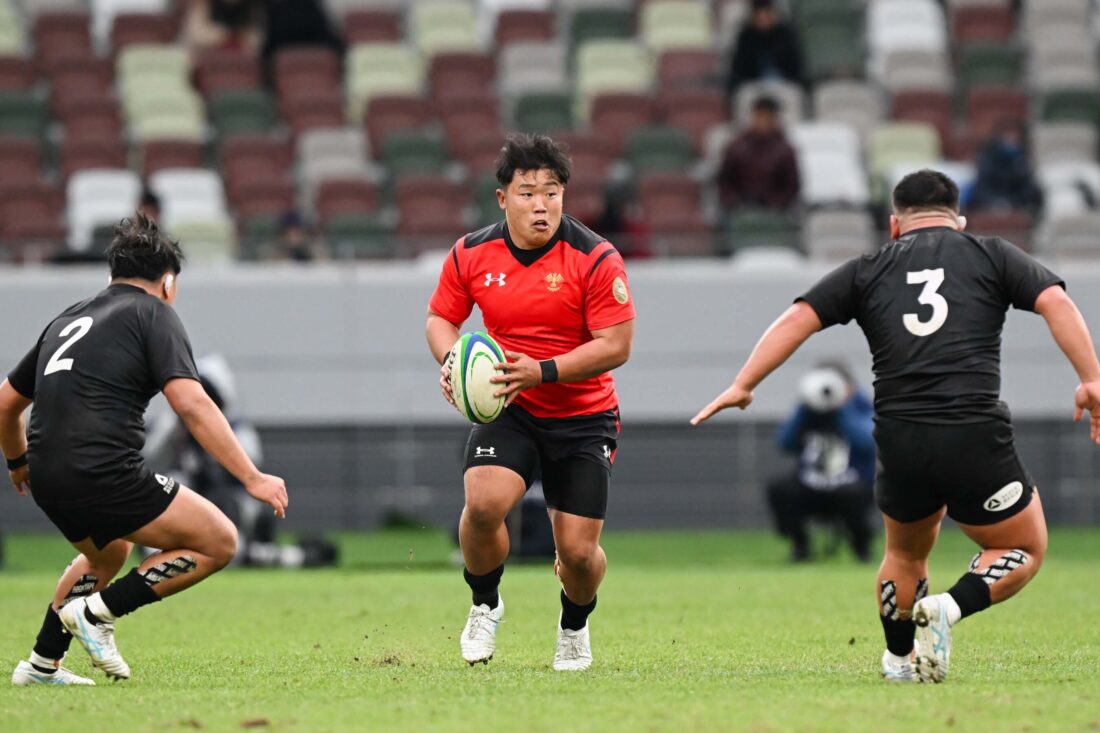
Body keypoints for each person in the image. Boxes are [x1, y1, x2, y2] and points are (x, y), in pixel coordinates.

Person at [692, 169, 1100, 683]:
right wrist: (1091, 378)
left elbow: (799, 315)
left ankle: (898, 662)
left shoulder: (868, 268)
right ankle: (949, 608)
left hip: (899, 435)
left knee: (905, 553)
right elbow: (1056, 301)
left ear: (893, 225)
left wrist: (744, 382)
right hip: (972, 429)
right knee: (1022, 547)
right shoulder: (991, 253)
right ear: (960, 220)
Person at [2, 214, 288, 686]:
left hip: (48, 476)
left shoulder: (68, 317)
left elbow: (4, 406)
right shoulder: (154, 313)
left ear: (111, 274)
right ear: (169, 282)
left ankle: (40, 664)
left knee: (108, 553)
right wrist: (252, 477)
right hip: (102, 471)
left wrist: (17, 463)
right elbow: (192, 404)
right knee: (218, 540)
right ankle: (97, 614)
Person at [426, 133, 635, 671]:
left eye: (551, 192)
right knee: (482, 507)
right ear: (502, 198)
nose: (540, 205)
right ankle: (484, 603)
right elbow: (441, 319)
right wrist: (452, 362)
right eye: (527, 193)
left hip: (583, 417)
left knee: (579, 557)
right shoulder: (472, 252)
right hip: (511, 407)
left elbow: (617, 346)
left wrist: (540, 371)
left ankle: (573, 626)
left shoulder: (594, 257)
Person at [767, 362, 876, 563]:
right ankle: (800, 545)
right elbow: (784, 443)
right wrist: (804, 410)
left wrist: (842, 411)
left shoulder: (861, 407)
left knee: (853, 495)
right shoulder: (807, 413)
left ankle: (862, 547)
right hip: (811, 485)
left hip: (851, 485)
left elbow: (868, 442)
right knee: (780, 489)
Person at [716, 96, 801, 211]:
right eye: (760, 116)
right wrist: (734, 203)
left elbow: (792, 187)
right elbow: (724, 182)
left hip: (775, 211)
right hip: (739, 208)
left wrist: (774, 204)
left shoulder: (785, 151)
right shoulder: (736, 147)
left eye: (768, 117)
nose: (763, 122)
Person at [726, 0, 805, 95]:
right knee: (744, 94)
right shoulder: (746, 37)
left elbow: (795, 68)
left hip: (785, 84)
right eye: (759, 16)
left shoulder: (786, 35)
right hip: (753, 86)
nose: (763, 19)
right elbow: (740, 69)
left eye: (766, 15)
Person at [966, 120, 1042, 215]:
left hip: (1015, 204)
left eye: (1014, 135)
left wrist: (1011, 204)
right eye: (1007, 135)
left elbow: (1028, 189)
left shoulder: (1022, 158)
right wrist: (996, 203)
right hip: (990, 203)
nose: (1011, 139)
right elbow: (982, 188)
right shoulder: (988, 157)